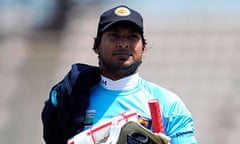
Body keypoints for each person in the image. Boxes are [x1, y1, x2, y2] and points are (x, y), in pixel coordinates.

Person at [41, 5, 197, 144]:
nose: (123, 43)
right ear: (96, 46)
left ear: (143, 49)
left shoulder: (168, 104)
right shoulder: (72, 97)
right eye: (114, 35)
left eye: (132, 37)